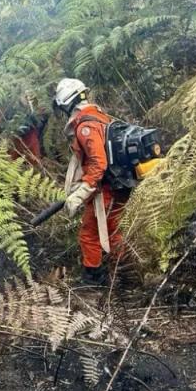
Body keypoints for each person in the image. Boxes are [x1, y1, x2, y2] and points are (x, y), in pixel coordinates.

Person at [53, 78, 129, 283]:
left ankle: (93, 277)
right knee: (113, 230)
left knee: (89, 233)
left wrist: (83, 190)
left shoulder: (85, 126)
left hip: (105, 189)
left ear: (67, 103)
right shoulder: (99, 116)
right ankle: (124, 272)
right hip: (116, 185)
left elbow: (98, 162)